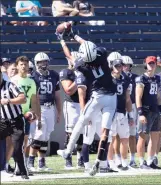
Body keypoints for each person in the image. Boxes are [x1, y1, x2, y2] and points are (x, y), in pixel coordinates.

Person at [56, 28, 117, 176]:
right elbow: (88, 44)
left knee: (82, 120)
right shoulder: (102, 54)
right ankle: (98, 162)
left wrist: (62, 40)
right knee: (105, 132)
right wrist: (75, 35)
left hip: (97, 97)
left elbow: (70, 56)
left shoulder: (80, 66)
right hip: (112, 98)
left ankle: (68, 151)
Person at [28, 52, 62, 172]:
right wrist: (34, 111)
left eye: (45, 61)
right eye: (41, 62)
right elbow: (32, 96)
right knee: (39, 135)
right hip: (39, 107)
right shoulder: (33, 77)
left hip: (50, 107)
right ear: (36, 63)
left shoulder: (54, 75)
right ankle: (30, 161)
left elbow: (57, 95)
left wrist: (59, 112)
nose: (44, 64)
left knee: (46, 136)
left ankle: (41, 163)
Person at [11, 56, 41, 171]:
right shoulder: (12, 80)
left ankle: (23, 165)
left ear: (29, 66)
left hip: (26, 114)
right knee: (14, 142)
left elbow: (34, 100)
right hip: (13, 114)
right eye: (21, 64)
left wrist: (37, 116)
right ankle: (13, 166)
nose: (24, 66)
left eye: (25, 64)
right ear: (17, 66)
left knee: (26, 140)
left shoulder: (31, 81)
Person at [135, 56, 161, 169]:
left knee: (155, 136)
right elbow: (138, 96)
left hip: (155, 110)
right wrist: (140, 113)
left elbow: (158, 96)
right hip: (146, 110)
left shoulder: (157, 78)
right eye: (149, 63)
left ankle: (150, 161)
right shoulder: (141, 79)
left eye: (153, 63)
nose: (151, 65)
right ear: (145, 64)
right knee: (143, 136)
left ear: (156, 64)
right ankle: (142, 162)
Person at [0, 61, 29, 179]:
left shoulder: (10, 85)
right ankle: (3, 167)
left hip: (16, 120)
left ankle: (23, 172)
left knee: (17, 148)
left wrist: (9, 101)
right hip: (2, 121)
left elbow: (23, 98)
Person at [58, 51, 84, 169]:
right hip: (72, 105)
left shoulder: (84, 72)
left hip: (84, 103)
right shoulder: (66, 72)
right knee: (70, 132)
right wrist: (79, 77)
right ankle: (68, 159)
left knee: (82, 133)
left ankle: (80, 159)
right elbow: (69, 90)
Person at [107, 55, 133, 171]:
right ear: (112, 67)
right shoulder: (107, 78)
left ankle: (124, 162)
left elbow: (127, 98)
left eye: (120, 65)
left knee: (124, 138)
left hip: (122, 112)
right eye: (116, 66)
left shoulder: (126, 79)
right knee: (111, 138)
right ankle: (111, 162)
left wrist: (131, 115)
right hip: (110, 111)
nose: (118, 68)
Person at [122, 55, 138, 167]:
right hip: (119, 107)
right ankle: (119, 159)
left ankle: (132, 158)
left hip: (132, 106)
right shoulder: (116, 77)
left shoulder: (136, 78)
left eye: (127, 65)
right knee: (119, 135)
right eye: (123, 65)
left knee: (132, 134)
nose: (125, 67)